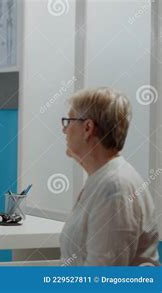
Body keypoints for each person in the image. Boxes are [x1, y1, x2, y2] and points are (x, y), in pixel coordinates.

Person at [60, 87, 159, 266]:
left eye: (68, 121)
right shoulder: (103, 179)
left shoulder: (114, 187)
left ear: (88, 128)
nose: (64, 130)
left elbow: (103, 280)